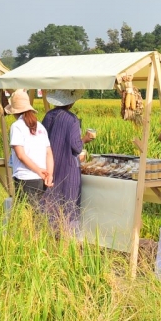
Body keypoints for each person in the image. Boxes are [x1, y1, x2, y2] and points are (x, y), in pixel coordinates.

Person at [42, 89, 94, 234]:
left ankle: (50, 232)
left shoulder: (47, 116)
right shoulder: (72, 119)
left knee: (51, 200)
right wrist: (85, 139)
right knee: (69, 202)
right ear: (70, 103)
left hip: (49, 165)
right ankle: (67, 236)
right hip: (67, 167)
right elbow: (76, 147)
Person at [6, 89, 53, 206]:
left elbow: (21, 155)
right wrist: (49, 174)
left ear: (14, 111)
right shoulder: (40, 126)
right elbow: (49, 154)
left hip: (25, 178)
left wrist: (39, 171)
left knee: (25, 218)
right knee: (37, 217)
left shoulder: (17, 126)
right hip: (42, 180)